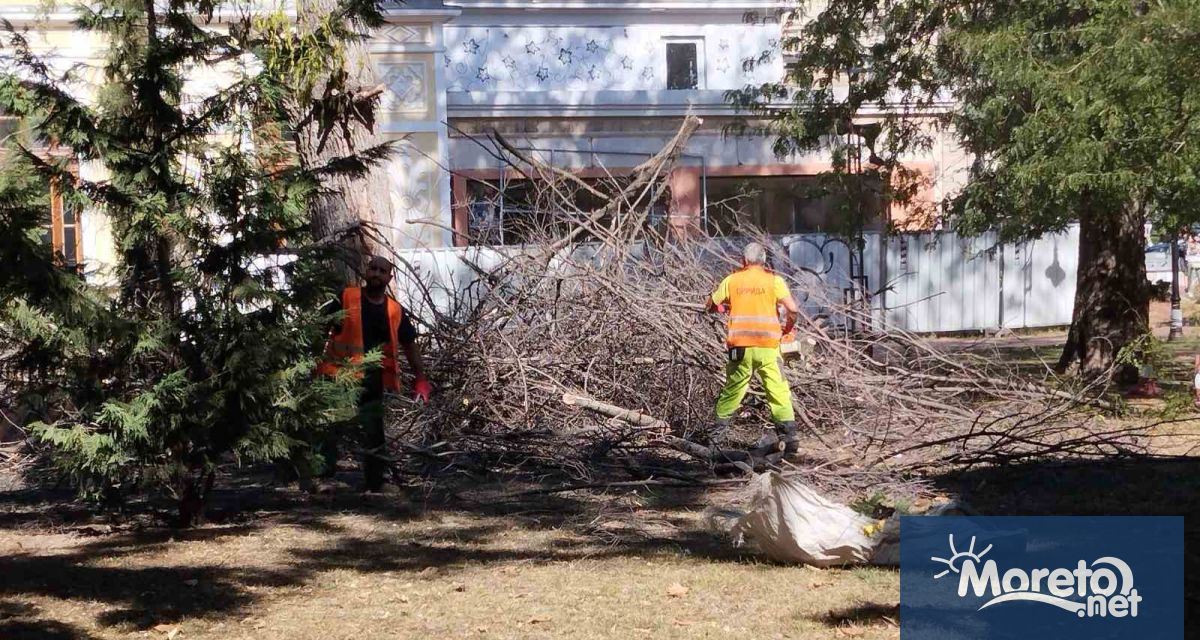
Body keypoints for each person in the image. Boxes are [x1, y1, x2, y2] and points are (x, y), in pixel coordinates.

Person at [316, 256, 432, 492]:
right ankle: (322, 477)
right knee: (330, 426)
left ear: (389, 277)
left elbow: (409, 344)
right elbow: (321, 327)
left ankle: (376, 483)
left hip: (372, 380)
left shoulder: (394, 310)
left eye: (382, 270)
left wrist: (420, 378)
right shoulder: (346, 297)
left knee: (374, 431)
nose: (376, 273)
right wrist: (312, 362)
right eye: (372, 268)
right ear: (366, 272)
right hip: (339, 375)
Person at [705, 242, 801, 456]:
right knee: (778, 390)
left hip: (741, 349)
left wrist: (723, 307)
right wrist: (787, 329)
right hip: (769, 347)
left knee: (733, 390)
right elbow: (793, 309)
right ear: (764, 261)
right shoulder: (774, 281)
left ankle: (715, 439)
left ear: (744, 260)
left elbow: (710, 305)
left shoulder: (732, 281)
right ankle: (790, 439)